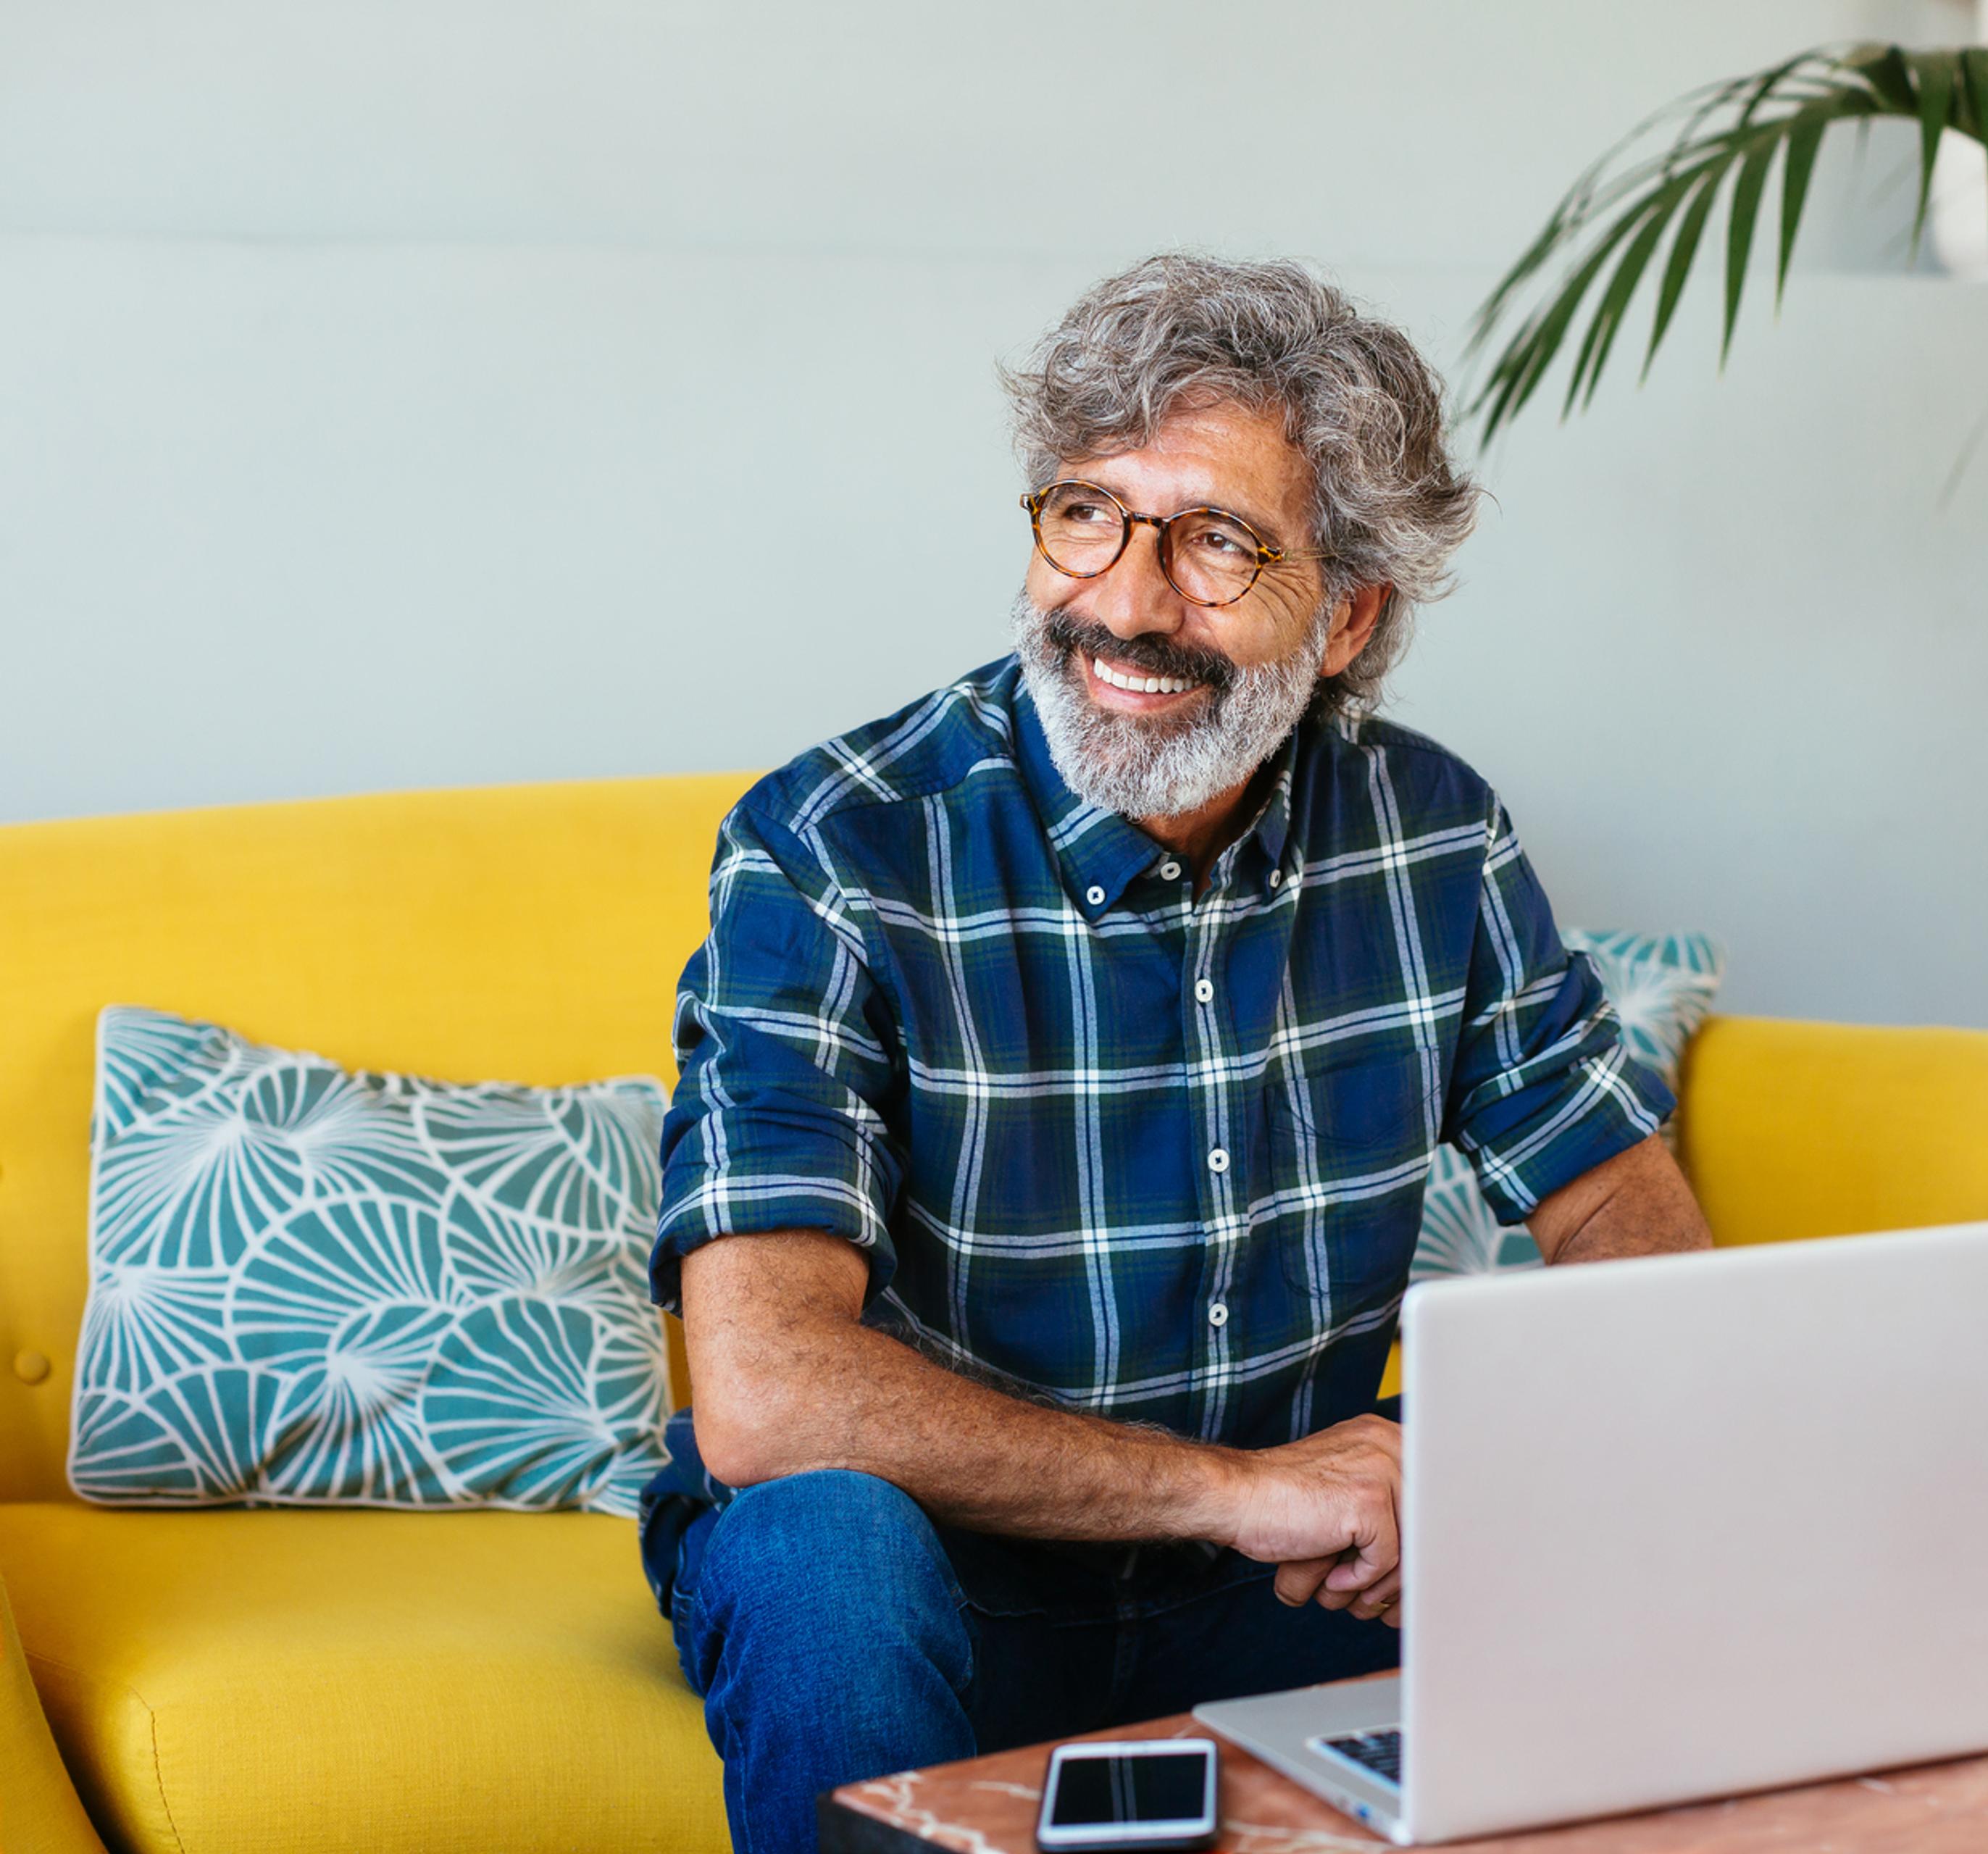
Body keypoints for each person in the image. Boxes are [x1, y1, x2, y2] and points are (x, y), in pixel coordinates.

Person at [638, 251, 1714, 1854]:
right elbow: (766, 1394)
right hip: (940, 1575)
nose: (1127, 605)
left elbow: (1631, 1224)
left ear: (1346, 613)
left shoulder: (1434, 839)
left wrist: (1467, 1467)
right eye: (1087, 515)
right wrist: (1236, 1486)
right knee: (819, 1545)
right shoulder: (831, 848)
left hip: (1277, 1589)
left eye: (1217, 543)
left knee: (1598, 1482)